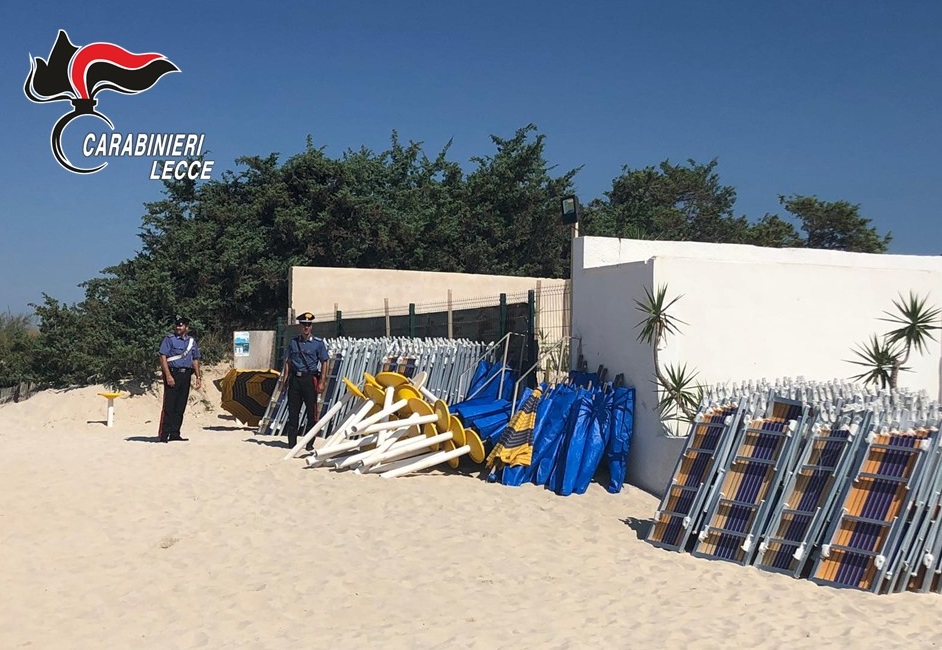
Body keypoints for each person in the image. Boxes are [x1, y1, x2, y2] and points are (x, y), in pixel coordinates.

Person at [284, 311, 329, 451]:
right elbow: (288, 362)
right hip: (295, 380)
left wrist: (322, 381)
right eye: (304, 324)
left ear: (311, 327)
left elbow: (324, 362)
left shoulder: (318, 344)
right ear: (300, 326)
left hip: (310, 379)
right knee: (293, 412)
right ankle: (292, 443)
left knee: (311, 412)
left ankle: (309, 443)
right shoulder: (293, 342)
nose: (306, 327)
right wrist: (285, 379)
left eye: (308, 325)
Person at [158, 315, 202, 442]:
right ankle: (164, 434)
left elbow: (195, 359)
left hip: (186, 374)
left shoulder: (192, 342)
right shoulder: (169, 339)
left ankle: (175, 433)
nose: (178, 327)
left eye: (181, 325)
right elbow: (163, 358)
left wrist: (198, 376)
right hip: (173, 373)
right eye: (177, 325)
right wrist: (168, 375)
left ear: (186, 327)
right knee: (170, 405)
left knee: (180, 405)